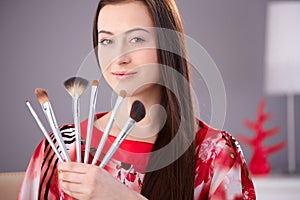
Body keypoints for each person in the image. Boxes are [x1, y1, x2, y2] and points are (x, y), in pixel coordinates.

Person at [18, 0, 256, 199]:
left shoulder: (216, 154)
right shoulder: (62, 149)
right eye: (107, 41)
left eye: (136, 40)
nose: (119, 57)